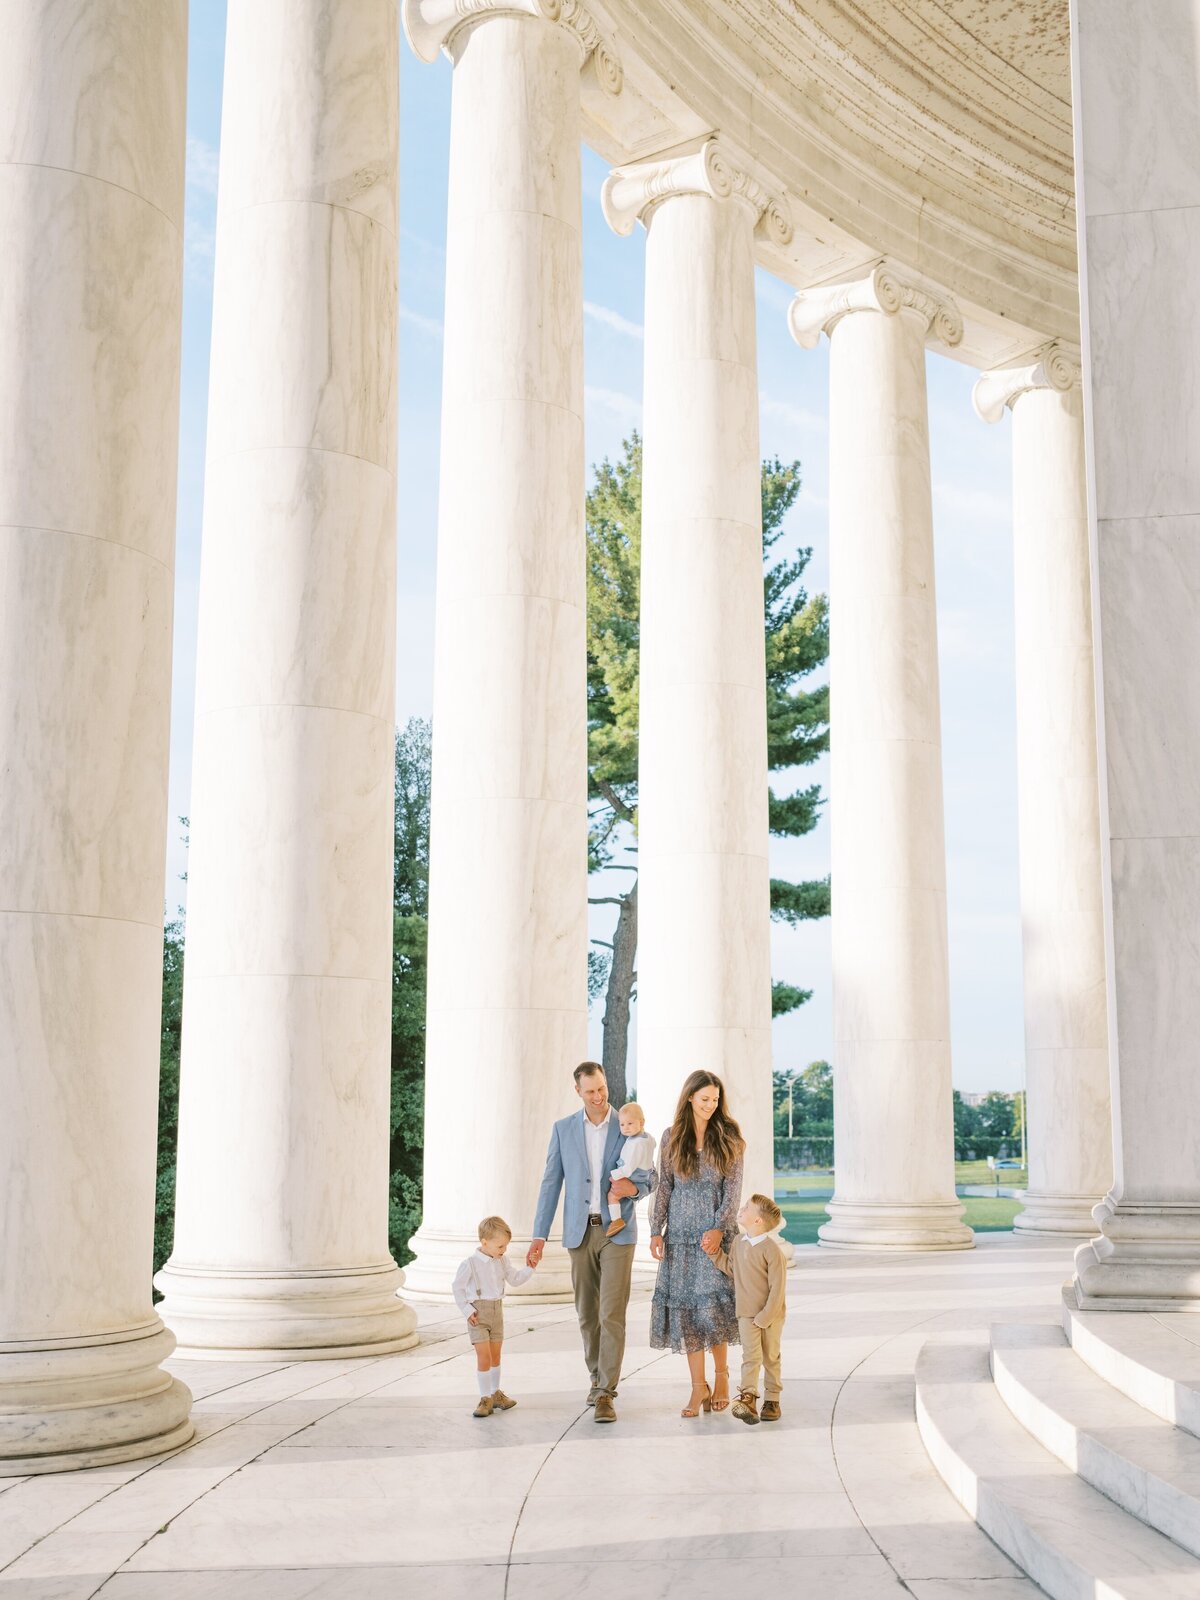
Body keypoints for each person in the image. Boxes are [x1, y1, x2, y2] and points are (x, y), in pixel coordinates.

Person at [528, 1062, 656, 1424]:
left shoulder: (627, 1123)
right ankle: (596, 1377)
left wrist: (634, 1189)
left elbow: (652, 1176)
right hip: (579, 1232)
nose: (598, 1096)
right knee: (587, 1313)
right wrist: (539, 1235)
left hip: (618, 1232)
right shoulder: (563, 1129)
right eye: (590, 1091)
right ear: (578, 1091)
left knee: (611, 1313)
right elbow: (550, 1183)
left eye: (602, 1089)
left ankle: (605, 1393)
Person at [649, 1069, 744, 1417]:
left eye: (715, 1100)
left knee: (713, 1310)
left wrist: (719, 1228)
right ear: (690, 1097)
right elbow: (665, 1187)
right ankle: (697, 1387)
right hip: (679, 1238)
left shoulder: (729, 1135)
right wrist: (656, 1229)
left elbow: (733, 1190)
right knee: (688, 1314)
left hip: (714, 1239)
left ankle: (721, 1377)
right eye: (704, 1099)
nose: (710, 1105)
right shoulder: (671, 1137)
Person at [713, 1194, 787, 1425]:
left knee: (770, 1356)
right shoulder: (738, 1242)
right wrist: (714, 1253)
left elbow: (777, 1289)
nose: (742, 1209)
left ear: (758, 1221)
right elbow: (732, 1269)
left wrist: (765, 1317)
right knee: (751, 1356)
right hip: (746, 1313)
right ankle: (748, 1398)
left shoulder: (772, 1251)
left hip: (770, 1315)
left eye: (747, 1207)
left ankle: (772, 1399)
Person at [452, 1215, 535, 1418]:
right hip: (478, 1315)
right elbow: (457, 1288)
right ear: (484, 1242)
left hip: (497, 1312)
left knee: (496, 1356)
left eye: (505, 1246)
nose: (504, 1250)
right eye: (500, 1246)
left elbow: (515, 1279)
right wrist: (467, 1310)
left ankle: (495, 1393)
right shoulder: (470, 1264)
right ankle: (485, 1398)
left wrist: (530, 1267)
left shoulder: (502, 1261)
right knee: (484, 1356)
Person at [606, 1103, 657, 1237]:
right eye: (622, 1125)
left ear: (641, 1122)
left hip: (633, 1176)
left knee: (612, 1196)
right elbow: (654, 1143)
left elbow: (627, 1170)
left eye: (630, 1123)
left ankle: (616, 1220)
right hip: (643, 1174)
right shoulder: (647, 1137)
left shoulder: (635, 1144)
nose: (626, 1128)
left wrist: (613, 1175)